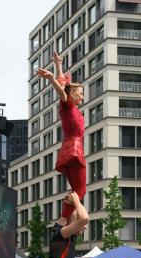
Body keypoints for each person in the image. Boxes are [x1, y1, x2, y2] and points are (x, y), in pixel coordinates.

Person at [37, 51, 86, 221]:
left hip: (69, 150)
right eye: (81, 92)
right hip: (74, 151)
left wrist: (58, 65)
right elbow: (63, 92)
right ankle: (63, 219)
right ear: (73, 94)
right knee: (81, 190)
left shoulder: (72, 109)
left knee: (76, 190)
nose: (82, 96)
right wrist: (52, 79)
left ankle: (65, 219)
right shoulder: (68, 106)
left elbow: (63, 84)